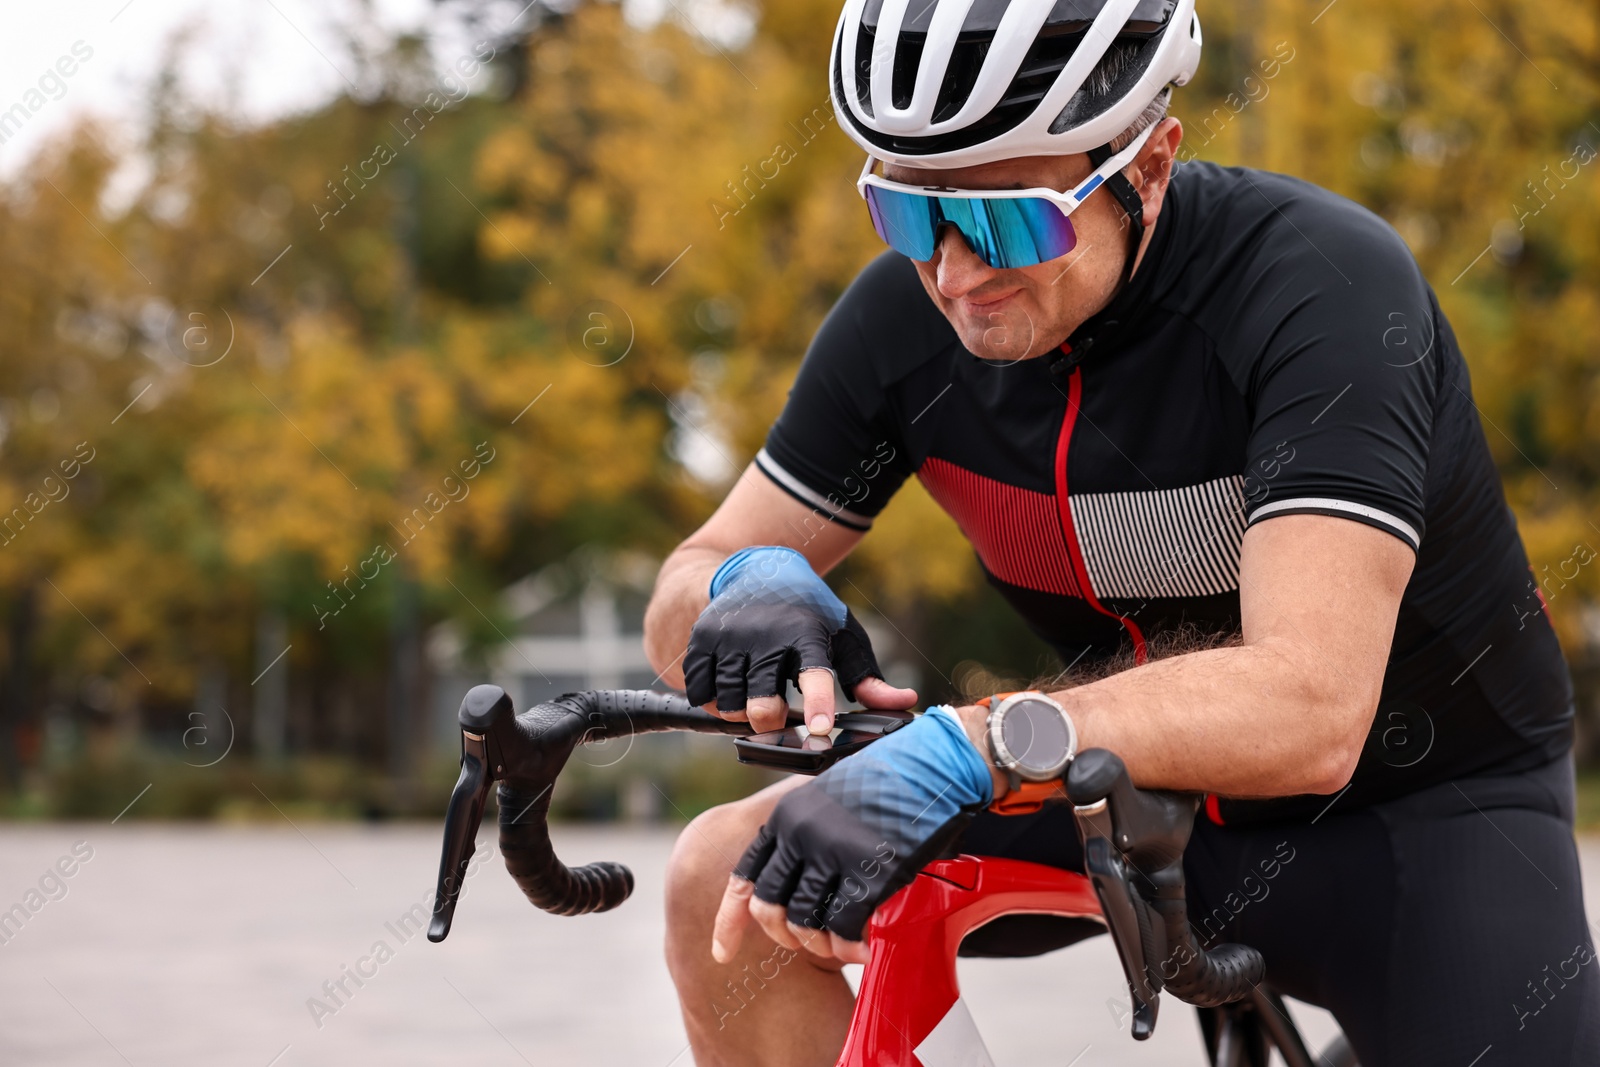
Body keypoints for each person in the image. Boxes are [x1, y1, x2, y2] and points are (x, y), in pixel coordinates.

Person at [642, 0, 1600, 1063]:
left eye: (1009, 219)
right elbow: (679, 591)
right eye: (910, 214)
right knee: (722, 882)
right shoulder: (900, 327)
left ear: (1147, 167)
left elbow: (1313, 705)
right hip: (1124, 804)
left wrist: (975, 742)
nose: (955, 274)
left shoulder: (1321, 290)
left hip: (1418, 817)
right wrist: (745, 585)